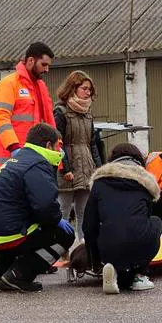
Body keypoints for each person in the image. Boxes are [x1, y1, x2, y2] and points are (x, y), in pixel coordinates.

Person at [0, 123, 74, 292]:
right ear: (48, 145)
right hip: (6, 234)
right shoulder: (38, 164)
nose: (59, 152)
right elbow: (46, 208)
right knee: (65, 234)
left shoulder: (17, 160)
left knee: (23, 225)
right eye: (58, 146)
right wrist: (57, 221)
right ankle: (20, 275)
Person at [83, 143, 162, 294]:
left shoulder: (99, 183)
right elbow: (145, 218)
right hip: (139, 244)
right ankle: (140, 274)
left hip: (108, 245)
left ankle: (113, 269)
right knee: (156, 221)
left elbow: (88, 225)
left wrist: (95, 260)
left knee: (108, 228)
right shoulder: (145, 185)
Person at [53, 70, 102, 245]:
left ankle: (84, 248)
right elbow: (58, 142)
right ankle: (61, 249)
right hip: (68, 168)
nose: (88, 92)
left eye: (90, 89)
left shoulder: (88, 113)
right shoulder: (60, 112)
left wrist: (99, 168)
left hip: (86, 167)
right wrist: (65, 168)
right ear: (73, 88)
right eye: (85, 88)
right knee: (63, 212)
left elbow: (93, 143)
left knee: (85, 212)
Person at [0, 42, 56, 168]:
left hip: (35, 158)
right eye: (44, 64)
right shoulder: (8, 84)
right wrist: (14, 147)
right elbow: (1, 118)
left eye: (48, 66)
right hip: (11, 159)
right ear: (31, 61)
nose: (47, 70)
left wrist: (56, 145)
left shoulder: (41, 87)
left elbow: (49, 120)